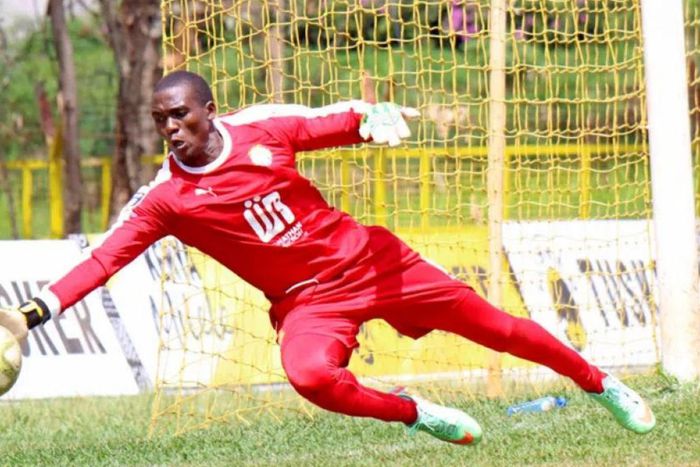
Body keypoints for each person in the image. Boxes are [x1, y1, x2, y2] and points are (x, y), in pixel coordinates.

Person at [0, 70, 655, 444]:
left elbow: (331, 122)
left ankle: (601, 383)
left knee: (499, 328)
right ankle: (417, 413)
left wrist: (375, 119)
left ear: (209, 110)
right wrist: (27, 317)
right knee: (309, 375)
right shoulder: (166, 200)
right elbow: (102, 261)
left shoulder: (261, 131)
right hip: (308, 302)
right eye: (160, 120)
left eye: (180, 115)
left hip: (372, 260)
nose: (171, 129)